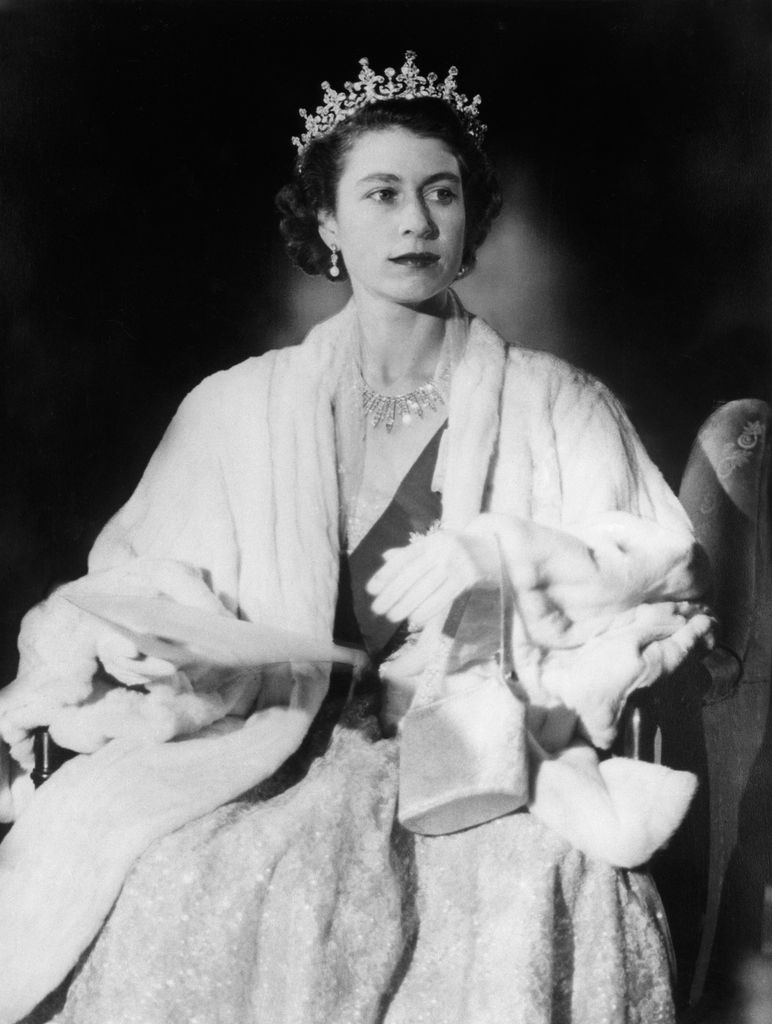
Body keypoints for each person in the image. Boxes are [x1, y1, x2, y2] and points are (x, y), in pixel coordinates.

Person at [0, 52, 713, 1024]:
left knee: (545, 890)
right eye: (381, 194)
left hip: (485, 764)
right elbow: (136, 589)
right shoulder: (235, 409)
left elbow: (660, 575)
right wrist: (170, 642)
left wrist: (500, 557)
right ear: (327, 222)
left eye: (441, 193)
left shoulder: (555, 402)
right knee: (183, 880)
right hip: (274, 750)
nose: (416, 222)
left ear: (469, 222)